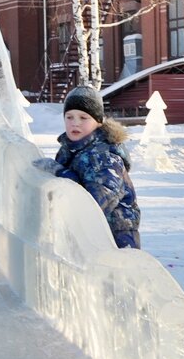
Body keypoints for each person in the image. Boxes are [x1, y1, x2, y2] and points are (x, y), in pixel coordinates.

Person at [49, 86, 142, 249]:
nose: (75, 123)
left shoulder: (105, 157)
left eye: (83, 117)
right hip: (89, 238)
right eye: (69, 117)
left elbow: (94, 203)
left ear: (98, 122)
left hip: (114, 242)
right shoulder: (71, 150)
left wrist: (61, 173)